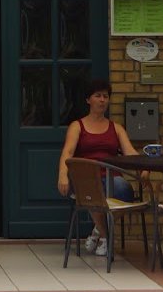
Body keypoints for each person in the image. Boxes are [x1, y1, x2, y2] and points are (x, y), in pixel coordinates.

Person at [56, 79, 140, 257]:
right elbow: (67, 152)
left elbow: (130, 152)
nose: (102, 100)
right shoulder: (77, 126)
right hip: (85, 178)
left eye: (105, 96)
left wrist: (143, 168)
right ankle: (107, 237)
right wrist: (62, 175)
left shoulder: (116, 128)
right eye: (98, 96)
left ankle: (97, 231)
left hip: (111, 177)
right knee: (91, 191)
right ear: (88, 100)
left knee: (125, 190)